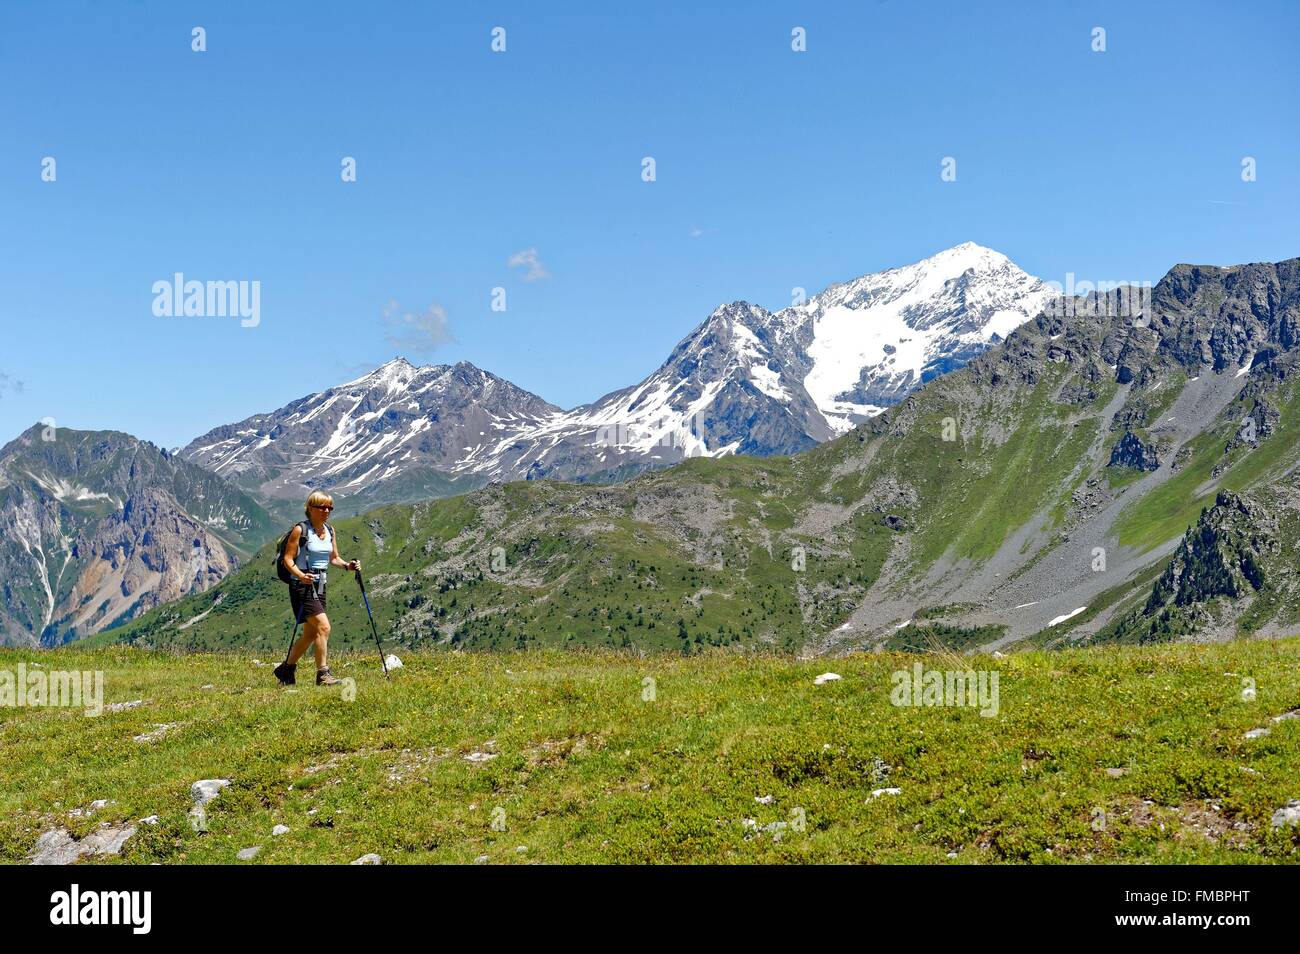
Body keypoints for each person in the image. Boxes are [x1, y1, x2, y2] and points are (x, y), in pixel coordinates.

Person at [273, 492, 359, 686]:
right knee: (324, 627)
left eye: (329, 508)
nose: (326, 511)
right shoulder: (300, 530)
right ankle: (323, 674)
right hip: (302, 585)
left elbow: (334, 558)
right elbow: (288, 558)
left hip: (320, 584)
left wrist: (348, 566)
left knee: (311, 633)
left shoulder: (330, 530)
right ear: (310, 508)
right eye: (322, 507)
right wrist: (301, 576)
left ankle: (286, 670)